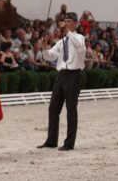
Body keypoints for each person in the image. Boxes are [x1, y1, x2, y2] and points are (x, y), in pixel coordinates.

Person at [37, 12, 85, 151]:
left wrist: (68, 32)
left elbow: (79, 47)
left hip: (74, 76)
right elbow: (50, 57)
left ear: (75, 23)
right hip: (61, 75)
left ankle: (69, 143)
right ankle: (51, 141)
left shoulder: (80, 37)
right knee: (53, 108)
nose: (65, 23)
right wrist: (45, 47)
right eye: (65, 21)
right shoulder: (61, 41)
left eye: (68, 21)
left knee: (71, 110)